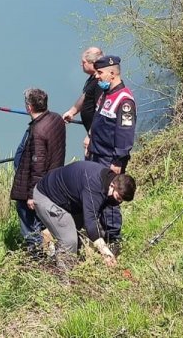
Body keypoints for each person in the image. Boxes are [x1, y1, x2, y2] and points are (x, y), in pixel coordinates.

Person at [32, 160, 136, 268]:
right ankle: (64, 280)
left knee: (81, 235)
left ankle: (76, 267)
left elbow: (95, 218)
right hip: (47, 197)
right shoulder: (94, 186)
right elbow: (91, 221)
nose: (119, 202)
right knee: (69, 241)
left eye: (122, 200)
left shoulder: (109, 182)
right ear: (112, 185)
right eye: (118, 198)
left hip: (70, 201)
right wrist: (105, 252)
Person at [83, 55, 135, 247]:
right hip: (95, 153)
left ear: (112, 73)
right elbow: (98, 120)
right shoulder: (106, 94)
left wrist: (118, 162)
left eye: (100, 73)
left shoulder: (124, 100)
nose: (97, 76)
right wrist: (89, 137)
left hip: (110, 159)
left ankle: (113, 239)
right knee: (94, 192)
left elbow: (125, 134)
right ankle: (97, 233)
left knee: (111, 198)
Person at [9, 88, 67, 253]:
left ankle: (37, 257)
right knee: (42, 221)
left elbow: (37, 167)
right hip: (52, 181)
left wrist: (31, 195)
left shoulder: (38, 131)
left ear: (29, 107)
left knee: (29, 224)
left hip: (36, 186)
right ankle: (49, 248)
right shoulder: (56, 119)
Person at [62, 47, 104, 131]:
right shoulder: (93, 79)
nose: (81, 64)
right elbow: (85, 96)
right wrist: (72, 112)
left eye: (84, 62)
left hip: (97, 133)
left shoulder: (101, 82)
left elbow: (101, 110)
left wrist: (91, 135)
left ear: (93, 63)